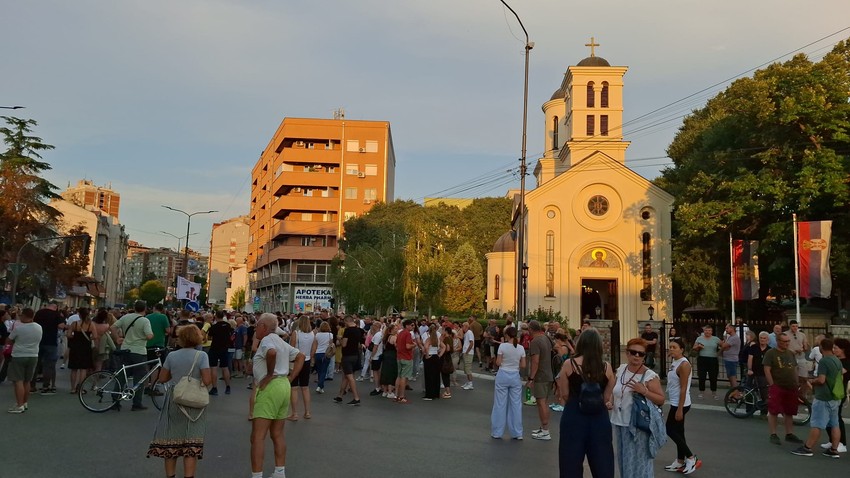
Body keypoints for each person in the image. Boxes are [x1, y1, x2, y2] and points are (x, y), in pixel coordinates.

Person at [147, 325, 213, 478]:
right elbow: (207, 380)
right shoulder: (202, 356)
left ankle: (170, 475)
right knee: (191, 443)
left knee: (172, 441)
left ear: (181, 339)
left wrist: (178, 376)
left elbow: (162, 378)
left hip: (175, 398)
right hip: (195, 401)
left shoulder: (172, 356)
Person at [250, 313, 305, 478]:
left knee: (258, 436)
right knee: (277, 433)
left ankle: (257, 475)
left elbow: (272, 353)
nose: (255, 328)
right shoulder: (281, 341)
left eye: (257, 325)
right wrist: (291, 377)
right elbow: (301, 356)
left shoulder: (267, 340)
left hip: (270, 387)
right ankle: (279, 472)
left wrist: (268, 374)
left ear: (264, 327)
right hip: (283, 385)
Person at [556, 328, 615, 478]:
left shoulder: (569, 364)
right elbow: (607, 397)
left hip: (574, 415)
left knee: (570, 464)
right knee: (603, 463)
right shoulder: (606, 367)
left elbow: (564, 394)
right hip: (599, 418)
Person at [611, 338, 665, 477]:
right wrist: (610, 402)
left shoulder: (649, 376)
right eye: (633, 352)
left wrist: (644, 391)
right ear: (627, 353)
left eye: (641, 354)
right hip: (619, 422)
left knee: (639, 464)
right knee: (624, 461)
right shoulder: (621, 370)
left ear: (644, 357)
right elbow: (615, 391)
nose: (636, 356)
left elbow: (661, 399)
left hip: (638, 425)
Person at [791, 337, 843, 458]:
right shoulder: (837, 360)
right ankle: (834, 449)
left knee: (817, 423)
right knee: (835, 424)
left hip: (823, 397)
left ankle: (807, 447)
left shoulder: (824, 361)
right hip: (835, 396)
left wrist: (812, 381)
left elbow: (821, 380)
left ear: (821, 348)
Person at [664, 338, 700, 474]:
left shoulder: (684, 365)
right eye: (670, 347)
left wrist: (679, 409)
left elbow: (684, 388)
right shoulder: (674, 362)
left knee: (669, 430)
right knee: (679, 432)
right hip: (675, 401)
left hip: (680, 404)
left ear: (682, 349)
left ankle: (691, 458)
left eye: (674, 347)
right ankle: (680, 460)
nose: (671, 349)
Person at [110, 301, 154, 411]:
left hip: (125, 349)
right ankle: (136, 403)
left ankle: (115, 401)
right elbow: (149, 336)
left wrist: (117, 338)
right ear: (145, 309)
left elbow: (113, 327)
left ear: (134, 308)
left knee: (122, 376)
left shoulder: (126, 317)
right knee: (139, 378)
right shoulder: (145, 320)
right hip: (139, 351)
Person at [763, 332, 804, 446]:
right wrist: (772, 384)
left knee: (789, 411)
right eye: (784, 341)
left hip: (791, 386)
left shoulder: (790, 353)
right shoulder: (771, 353)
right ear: (778, 341)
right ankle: (773, 434)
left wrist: (796, 383)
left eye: (788, 341)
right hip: (778, 385)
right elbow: (767, 369)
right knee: (774, 410)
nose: (787, 343)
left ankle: (789, 433)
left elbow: (794, 368)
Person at [491, 326, 526, 439]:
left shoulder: (502, 346)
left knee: (500, 404)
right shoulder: (521, 348)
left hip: (503, 374)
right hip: (515, 375)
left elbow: (498, 362)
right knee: (516, 404)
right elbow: (523, 365)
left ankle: (497, 432)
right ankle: (517, 433)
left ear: (506, 335)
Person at [6, 308, 42, 413]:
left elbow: (9, 340)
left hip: (19, 355)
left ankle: (19, 405)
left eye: (21, 315)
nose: (20, 317)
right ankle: (25, 402)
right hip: (33, 355)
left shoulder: (19, 329)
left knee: (18, 381)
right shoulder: (39, 327)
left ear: (25, 316)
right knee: (27, 381)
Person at [526, 320, 554, 441]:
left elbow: (535, 361)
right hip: (549, 374)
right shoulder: (546, 338)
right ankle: (543, 427)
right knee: (545, 402)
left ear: (531, 329)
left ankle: (545, 431)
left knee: (541, 402)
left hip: (541, 376)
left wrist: (531, 378)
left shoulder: (535, 342)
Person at [33, 302, 65, 394]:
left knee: (36, 364)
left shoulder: (39, 313)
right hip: (51, 342)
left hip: (39, 340)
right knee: (48, 365)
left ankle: (32, 386)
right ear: (55, 307)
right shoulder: (56, 314)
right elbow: (61, 326)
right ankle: (46, 386)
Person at [288, 316, 316, 419]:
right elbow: (313, 349)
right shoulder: (312, 334)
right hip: (306, 361)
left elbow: (291, 348)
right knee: (305, 387)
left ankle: (295, 413)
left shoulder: (296, 333)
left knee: (294, 388)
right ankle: (307, 412)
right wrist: (310, 357)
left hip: (296, 361)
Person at [824, 338, 849, 452]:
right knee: (828, 417)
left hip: (839, 392)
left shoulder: (846, 362)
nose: (834, 350)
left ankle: (842, 442)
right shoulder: (836, 360)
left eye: (836, 348)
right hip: (830, 391)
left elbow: (839, 373)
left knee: (837, 416)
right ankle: (832, 440)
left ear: (843, 349)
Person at [334, 316, 363, 406]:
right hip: (355, 355)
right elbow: (359, 344)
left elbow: (344, 344)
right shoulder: (359, 330)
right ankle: (340, 396)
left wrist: (339, 338)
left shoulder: (347, 331)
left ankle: (356, 398)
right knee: (346, 376)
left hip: (347, 356)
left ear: (347, 321)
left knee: (349, 377)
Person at [67, 307, 97, 394]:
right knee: (83, 369)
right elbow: (95, 336)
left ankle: (73, 388)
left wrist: (74, 337)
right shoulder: (91, 324)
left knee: (74, 369)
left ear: (79, 315)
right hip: (85, 347)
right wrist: (89, 338)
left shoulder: (75, 324)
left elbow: (68, 335)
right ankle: (80, 387)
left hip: (75, 347)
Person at [206, 311, 233, 396]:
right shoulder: (228, 325)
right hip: (224, 348)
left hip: (214, 348)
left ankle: (214, 388)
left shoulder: (214, 327)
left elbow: (209, 336)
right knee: (225, 367)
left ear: (216, 316)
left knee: (213, 368)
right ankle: (228, 387)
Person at [693, 325, 721, 399]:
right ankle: (701, 392)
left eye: (709, 330)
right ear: (704, 331)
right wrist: (698, 347)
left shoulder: (716, 339)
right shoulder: (699, 338)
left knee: (713, 376)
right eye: (706, 330)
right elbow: (694, 347)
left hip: (713, 359)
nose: (707, 332)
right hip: (702, 359)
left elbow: (724, 346)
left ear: (711, 332)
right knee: (702, 376)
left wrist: (719, 352)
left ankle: (714, 393)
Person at [746, 332, 771, 410]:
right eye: (761, 338)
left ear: (767, 339)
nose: (762, 340)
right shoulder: (754, 347)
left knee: (764, 391)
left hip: (763, 373)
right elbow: (750, 358)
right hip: (753, 371)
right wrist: (749, 369)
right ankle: (749, 408)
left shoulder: (770, 350)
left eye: (764, 338)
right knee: (748, 390)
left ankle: (764, 410)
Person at [394, 319, 416, 404]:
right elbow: (408, 346)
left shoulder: (400, 333)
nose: (413, 327)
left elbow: (396, 344)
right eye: (411, 325)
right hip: (406, 357)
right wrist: (414, 345)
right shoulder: (408, 334)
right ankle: (401, 396)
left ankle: (396, 395)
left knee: (399, 376)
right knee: (404, 377)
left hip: (399, 356)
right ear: (407, 326)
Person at [313, 321, 334, 394]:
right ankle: (320, 386)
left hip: (318, 353)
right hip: (326, 353)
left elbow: (315, 345)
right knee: (324, 370)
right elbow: (331, 345)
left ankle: (321, 387)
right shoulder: (330, 335)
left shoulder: (317, 335)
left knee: (319, 371)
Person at [380, 323, 399, 399]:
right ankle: (390, 392)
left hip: (386, 355)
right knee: (391, 372)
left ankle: (385, 391)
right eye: (395, 329)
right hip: (392, 356)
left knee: (385, 372)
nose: (397, 330)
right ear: (391, 330)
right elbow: (397, 347)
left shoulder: (386, 337)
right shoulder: (394, 337)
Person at [720, 324, 741, 390]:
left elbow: (724, 346)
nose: (726, 330)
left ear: (732, 328)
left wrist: (720, 342)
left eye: (727, 328)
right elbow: (726, 347)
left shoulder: (734, 338)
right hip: (728, 359)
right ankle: (733, 391)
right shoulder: (730, 337)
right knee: (730, 376)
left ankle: (736, 392)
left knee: (732, 377)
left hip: (731, 359)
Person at [461, 321, 476, 390]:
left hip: (468, 353)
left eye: (463, 326)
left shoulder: (469, 332)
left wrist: (467, 352)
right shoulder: (466, 333)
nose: (462, 327)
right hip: (466, 352)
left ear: (466, 326)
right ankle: (468, 382)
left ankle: (470, 384)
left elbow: (471, 343)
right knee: (466, 369)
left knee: (468, 369)